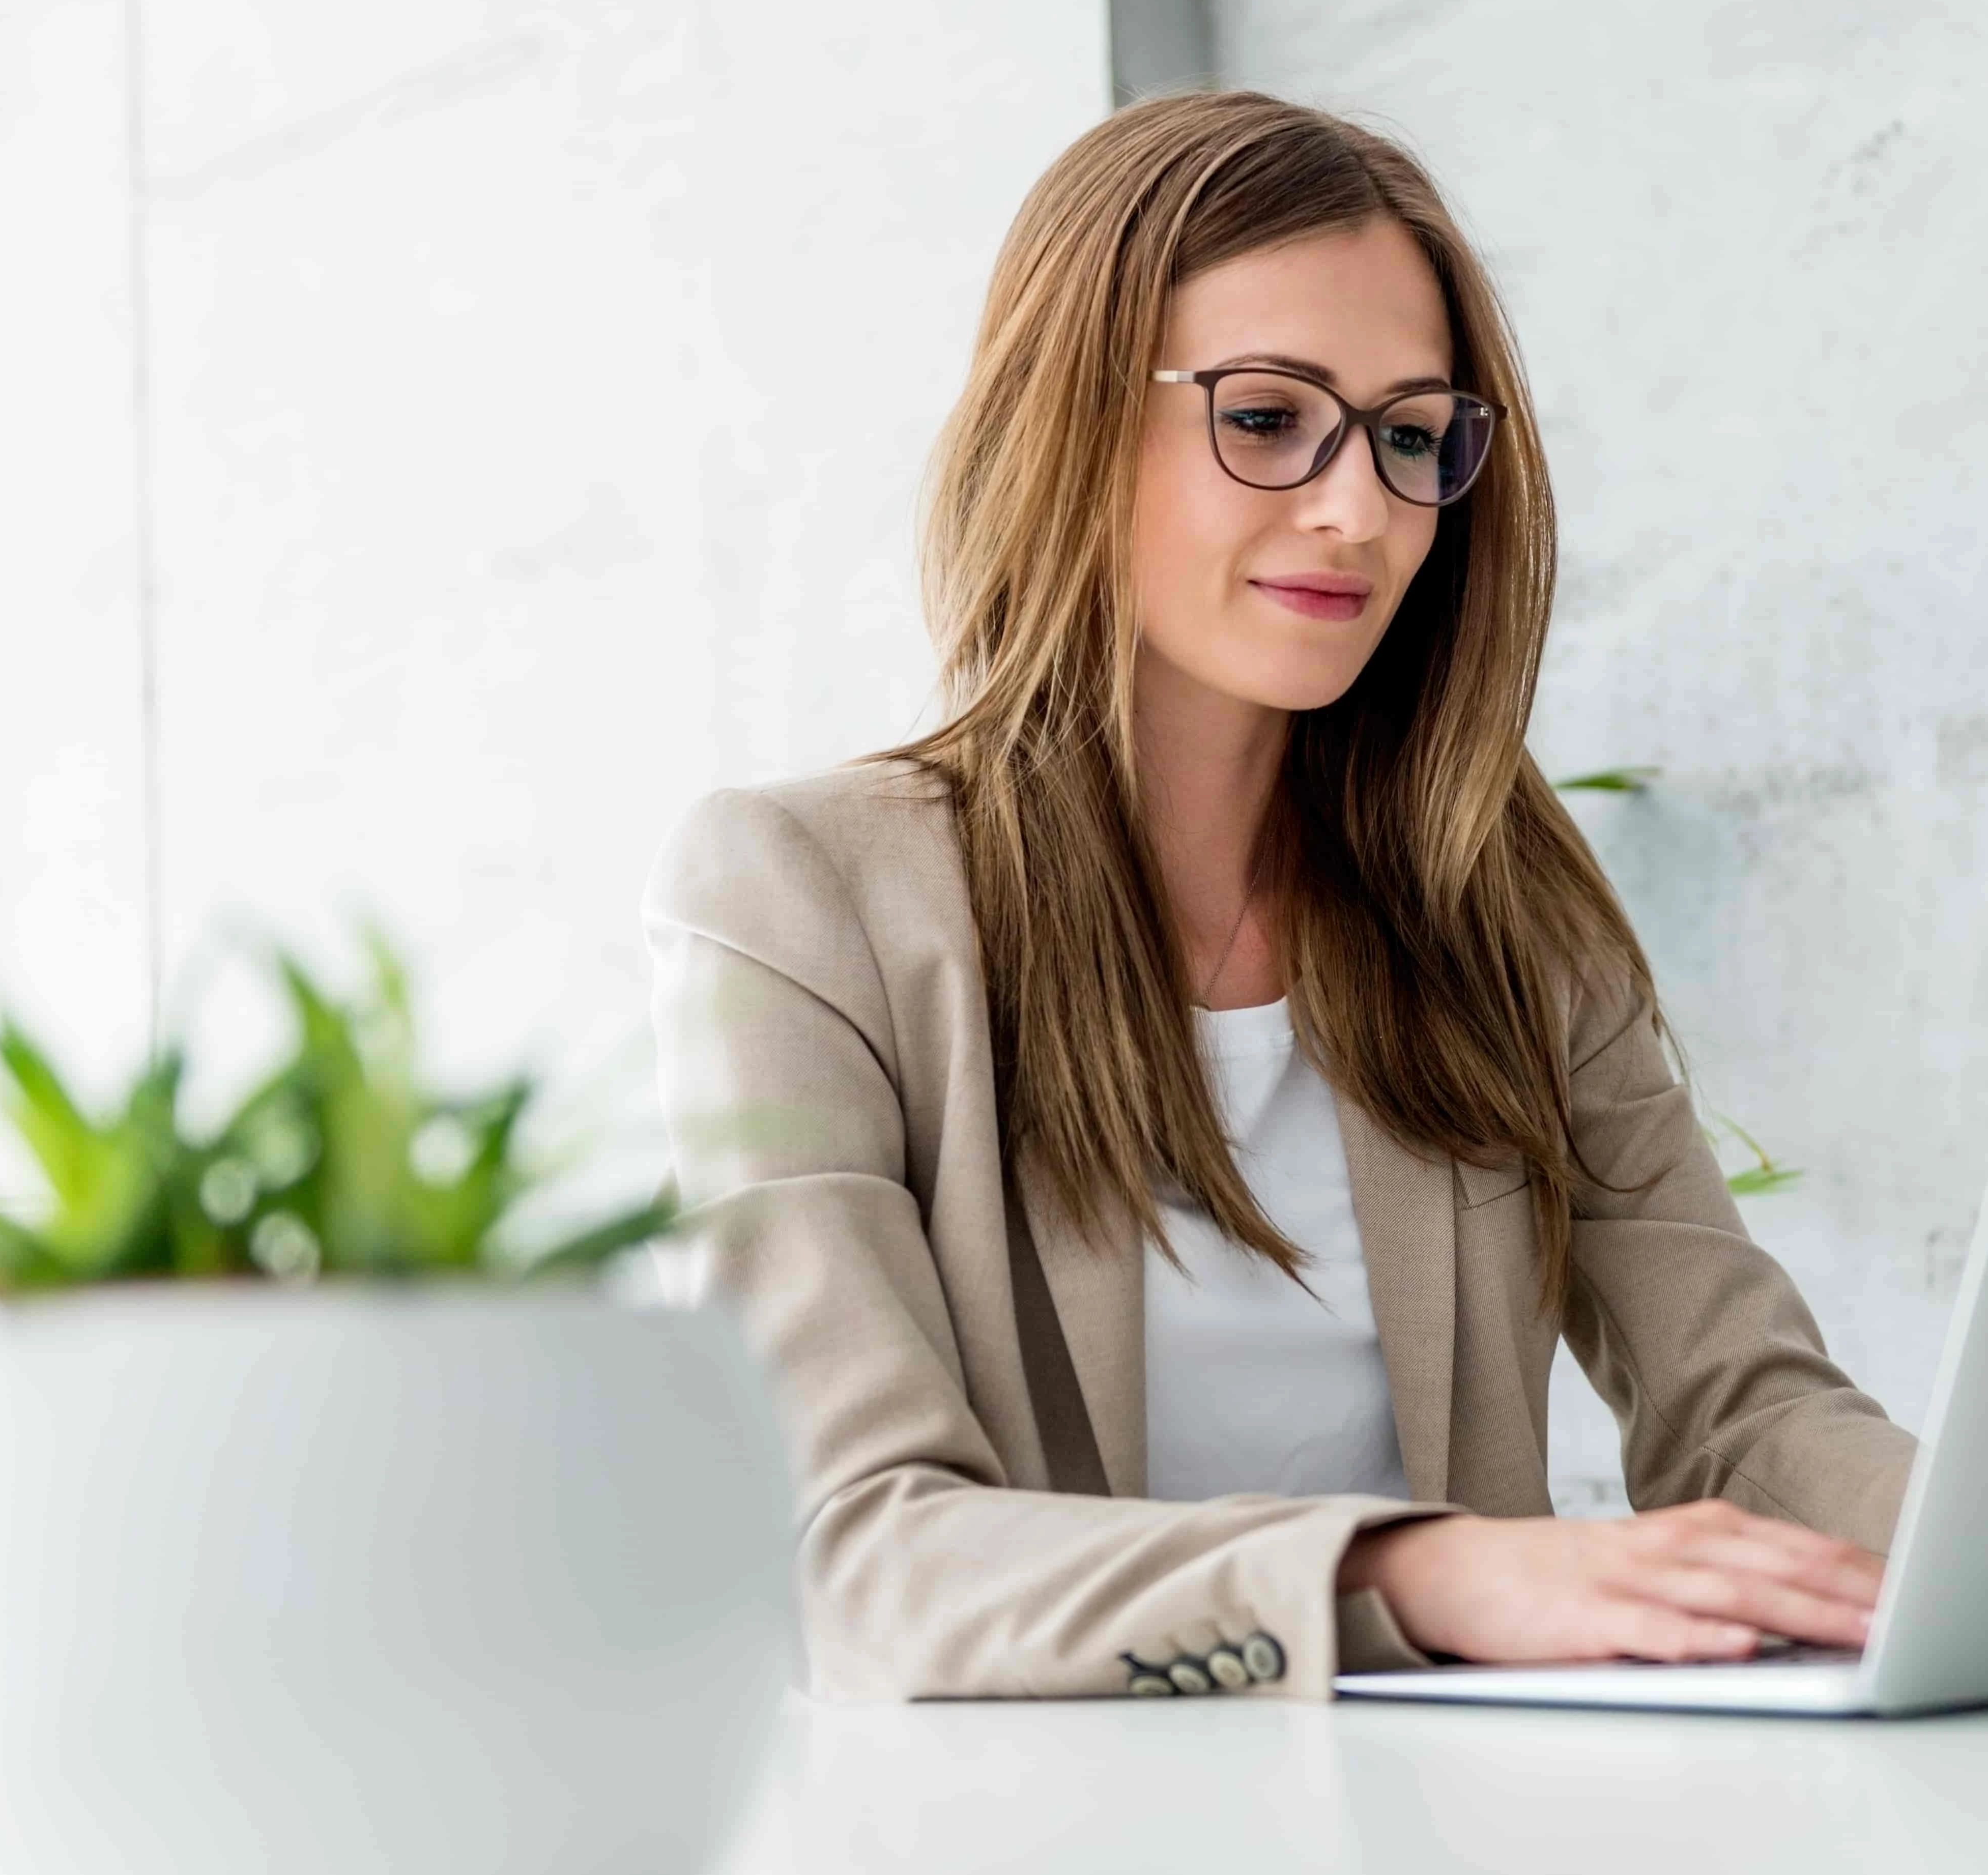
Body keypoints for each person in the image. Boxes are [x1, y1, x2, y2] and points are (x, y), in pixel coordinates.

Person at [644, 90, 1916, 1702]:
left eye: (1406, 432)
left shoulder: (1490, 899)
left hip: (1452, 1833)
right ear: (1066, 418)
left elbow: (1743, 1410)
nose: (1358, 510)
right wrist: (1407, 1570)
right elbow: (859, 1555)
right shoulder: (800, 895)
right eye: (1264, 417)